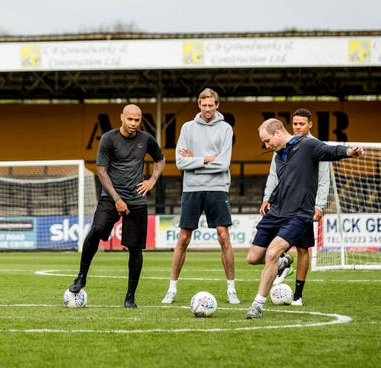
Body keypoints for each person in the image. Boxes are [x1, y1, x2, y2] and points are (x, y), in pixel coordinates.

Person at [246, 118, 364, 319]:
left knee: (272, 252)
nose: (266, 146)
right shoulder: (277, 155)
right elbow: (282, 182)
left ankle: (257, 305)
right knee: (253, 258)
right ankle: (283, 262)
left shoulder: (308, 144)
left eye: (267, 141)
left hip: (299, 214)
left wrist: (350, 152)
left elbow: (329, 151)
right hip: (276, 212)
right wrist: (269, 199)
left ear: (277, 133)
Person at [68, 104, 165, 308]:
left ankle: (130, 297)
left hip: (137, 199)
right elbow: (102, 172)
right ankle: (81, 277)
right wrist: (117, 199)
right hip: (111, 198)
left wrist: (152, 180)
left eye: (137, 120)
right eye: (130, 119)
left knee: (135, 249)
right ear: (121, 118)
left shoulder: (146, 139)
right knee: (96, 230)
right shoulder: (108, 138)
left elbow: (160, 159)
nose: (133, 123)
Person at [161, 88, 240, 305]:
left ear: (217, 106)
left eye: (211, 105)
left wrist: (195, 161)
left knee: (223, 236)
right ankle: (172, 289)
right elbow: (180, 162)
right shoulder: (187, 128)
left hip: (218, 187)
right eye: (204, 105)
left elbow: (224, 163)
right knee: (184, 238)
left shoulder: (225, 129)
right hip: (192, 188)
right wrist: (207, 159)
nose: (207, 109)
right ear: (199, 105)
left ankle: (231, 289)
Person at [260, 108, 330, 306]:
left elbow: (324, 179)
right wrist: (267, 197)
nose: (298, 127)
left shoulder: (316, 146)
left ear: (310, 125)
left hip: (305, 206)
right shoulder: (282, 145)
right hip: (282, 204)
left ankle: (298, 295)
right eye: (295, 123)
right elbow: (273, 175)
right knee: (270, 244)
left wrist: (320, 205)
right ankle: (283, 262)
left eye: (301, 124)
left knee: (302, 249)